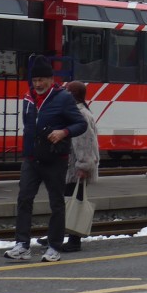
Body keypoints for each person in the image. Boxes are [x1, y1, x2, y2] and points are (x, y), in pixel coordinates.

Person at [4, 56, 87, 263]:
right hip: (31, 158)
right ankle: (22, 245)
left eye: (42, 80)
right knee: (24, 199)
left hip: (55, 159)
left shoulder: (63, 98)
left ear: (51, 80)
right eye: (35, 80)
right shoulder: (28, 98)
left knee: (56, 203)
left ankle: (54, 246)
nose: (38, 84)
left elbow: (80, 124)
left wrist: (64, 132)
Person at [50, 80, 99, 252]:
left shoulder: (81, 115)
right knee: (67, 201)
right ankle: (58, 235)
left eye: (66, 90)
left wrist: (83, 166)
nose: (63, 93)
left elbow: (84, 142)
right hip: (72, 167)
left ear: (73, 95)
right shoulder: (77, 111)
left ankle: (74, 240)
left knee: (75, 202)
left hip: (76, 168)